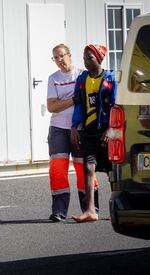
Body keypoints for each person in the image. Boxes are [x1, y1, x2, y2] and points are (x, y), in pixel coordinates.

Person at [46, 44, 99, 222]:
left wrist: (67, 101)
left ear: (69, 55)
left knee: (83, 168)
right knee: (57, 170)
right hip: (58, 129)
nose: (60, 60)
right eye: (56, 57)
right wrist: (73, 99)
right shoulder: (53, 78)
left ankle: (90, 207)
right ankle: (59, 211)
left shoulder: (81, 75)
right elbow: (52, 106)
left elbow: (88, 99)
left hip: (81, 129)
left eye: (62, 56)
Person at [70, 45, 117, 223]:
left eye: (89, 57)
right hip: (89, 132)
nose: (85, 60)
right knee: (88, 169)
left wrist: (112, 128)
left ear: (99, 58)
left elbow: (115, 105)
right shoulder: (82, 79)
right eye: (84, 57)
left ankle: (115, 209)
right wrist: (75, 127)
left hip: (106, 132)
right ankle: (90, 211)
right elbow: (79, 104)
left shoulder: (110, 78)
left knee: (112, 172)